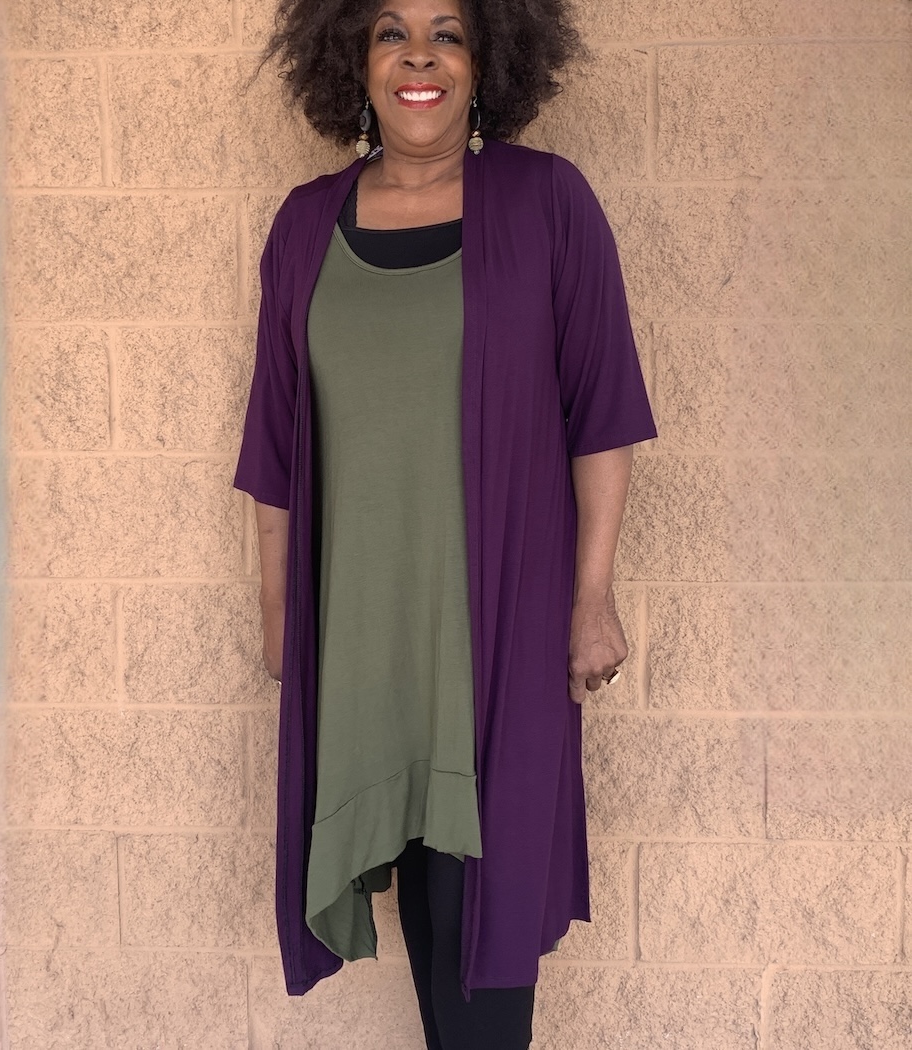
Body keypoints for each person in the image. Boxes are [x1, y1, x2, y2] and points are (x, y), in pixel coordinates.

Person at [234, 1, 656, 1046]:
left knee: (484, 927)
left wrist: (592, 599)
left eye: (448, 32)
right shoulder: (305, 224)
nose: (418, 55)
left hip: (495, 635)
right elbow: (276, 443)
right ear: (352, 59)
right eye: (390, 32)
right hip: (360, 641)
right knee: (429, 913)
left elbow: (602, 412)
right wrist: (278, 609)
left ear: (487, 60)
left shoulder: (547, 201)